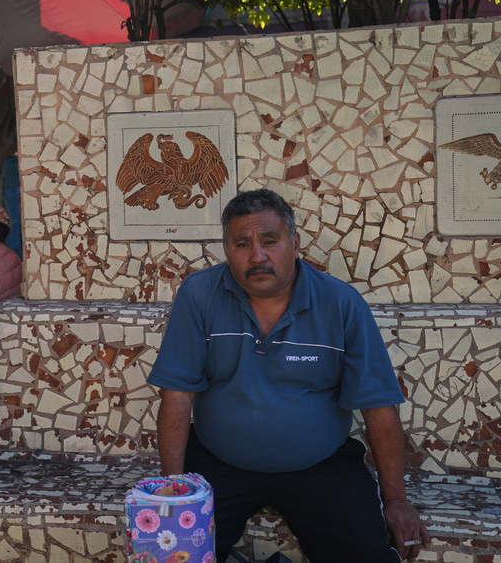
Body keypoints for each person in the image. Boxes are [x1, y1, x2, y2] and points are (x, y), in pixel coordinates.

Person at [148, 189, 430, 563]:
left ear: (294, 244)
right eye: (242, 243)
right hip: (219, 463)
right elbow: (177, 396)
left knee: (365, 553)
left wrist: (396, 501)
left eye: (270, 241)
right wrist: (174, 488)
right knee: (175, 552)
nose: (257, 256)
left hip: (321, 467)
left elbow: (378, 406)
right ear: (226, 250)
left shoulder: (341, 304)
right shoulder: (200, 294)